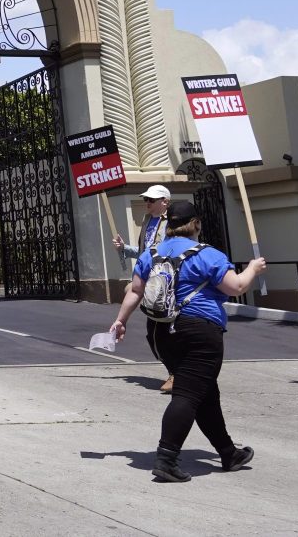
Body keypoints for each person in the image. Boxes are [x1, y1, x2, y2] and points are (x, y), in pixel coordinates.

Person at [109, 200, 265, 482]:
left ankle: (228, 453)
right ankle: (167, 459)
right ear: (196, 224)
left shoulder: (151, 253)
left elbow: (135, 290)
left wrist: (120, 320)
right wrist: (253, 268)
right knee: (188, 394)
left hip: (160, 331)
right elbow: (237, 286)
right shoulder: (207, 255)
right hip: (199, 332)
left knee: (205, 393)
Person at [114, 184, 175, 393]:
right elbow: (144, 252)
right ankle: (176, 371)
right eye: (146, 199)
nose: (147, 203)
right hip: (149, 284)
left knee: (163, 330)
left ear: (164, 202)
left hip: (166, 283)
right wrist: (125, 249)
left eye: (151, 200)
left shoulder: (173, 222)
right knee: (154, 332)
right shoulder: (147, 220)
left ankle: (176, 373)